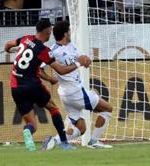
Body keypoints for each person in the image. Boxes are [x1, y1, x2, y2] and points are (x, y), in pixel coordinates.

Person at [4, 19, 89, 151]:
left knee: (32, 123)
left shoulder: (26, 39)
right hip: (32, 84)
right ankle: (65, 144)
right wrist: (78, 63)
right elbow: (60, 70)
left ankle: (28, 131)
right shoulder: (44, 50)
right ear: (48, 32)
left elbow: (8, 44)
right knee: (53, 109)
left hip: (15, 86)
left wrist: (10, 51)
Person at [42, 21, 113, 150]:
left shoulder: (71, 45)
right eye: (69, 31)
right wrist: (49, 78)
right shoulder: (53, 52)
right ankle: (94, 141)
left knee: (81, 128)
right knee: (107, 109)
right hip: (75, 91)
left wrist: (86, 59)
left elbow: (82, 58)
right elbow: (39, 68)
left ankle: (53, 141)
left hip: (66, 95)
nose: (70, 33)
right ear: (65, 34)